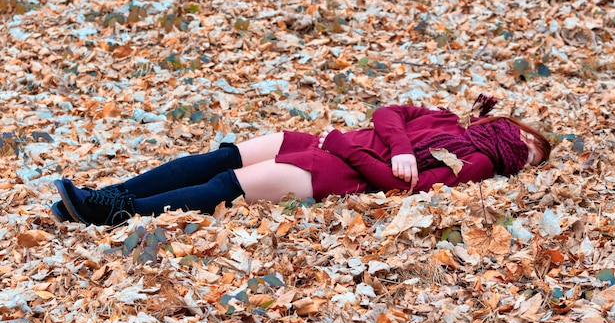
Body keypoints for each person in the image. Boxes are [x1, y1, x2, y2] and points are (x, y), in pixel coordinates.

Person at [52, 95, 551, 226]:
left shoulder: (482, 163)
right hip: (323, 142)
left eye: (533, 157)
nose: (527, 153)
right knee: (215, 158)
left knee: (226, 184)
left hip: (338, 168)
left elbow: (401, 189)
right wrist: (399, 147)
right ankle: (104, 196)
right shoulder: (447, 120)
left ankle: (111, 213)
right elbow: (388, 113)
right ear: (513, 126)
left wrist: (346, 146)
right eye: (531, 142)